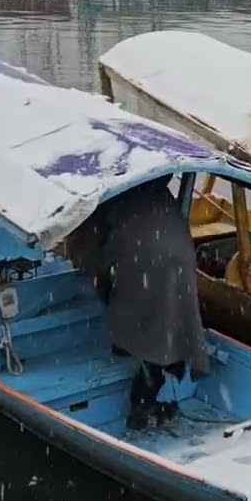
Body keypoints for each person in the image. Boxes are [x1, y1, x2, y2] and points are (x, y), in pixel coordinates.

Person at [64, 178, 210, 431]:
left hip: (144, 257)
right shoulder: (154, 189)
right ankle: (156, 370)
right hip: (177, 255)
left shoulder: (100, 200)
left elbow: (92, 258)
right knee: (169, 318)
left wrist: (98, 279)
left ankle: (142, 405)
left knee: (142, 323)